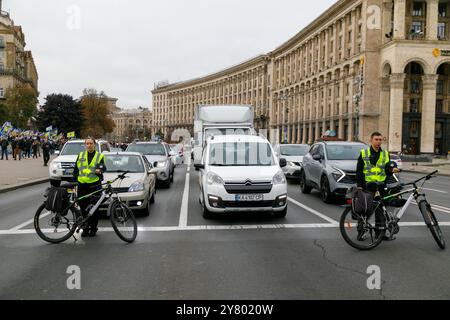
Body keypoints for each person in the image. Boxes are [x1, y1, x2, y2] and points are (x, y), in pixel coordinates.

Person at [356, 132, 400, 240]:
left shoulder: (385, 154)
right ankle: (361, 232)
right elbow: (359, 170)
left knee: (381, 210)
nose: (379, 141)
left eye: (380, 140)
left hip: (381, 186)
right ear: (371, 140)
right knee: (365, 209)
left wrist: (391, 170)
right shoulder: (364, 153)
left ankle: (380, 233)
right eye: (376, 139)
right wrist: (360, 185)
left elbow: (387, 170)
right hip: (368, 186)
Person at [72, 137, 106, 237]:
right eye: (87, 143)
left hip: (94, 186)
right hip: (82, 186)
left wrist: (99, 171)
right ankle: (85, 228)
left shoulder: (99, 156)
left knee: (93, 208)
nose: (89, 145)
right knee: (83, 208)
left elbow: (102, 168)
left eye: (91, 143)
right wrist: (75, 183)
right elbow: (76, 171)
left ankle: (93, 228)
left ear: (94, 145)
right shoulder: (81, 155)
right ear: (85, 145)